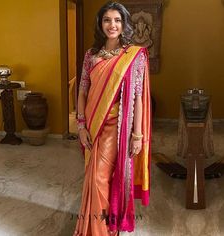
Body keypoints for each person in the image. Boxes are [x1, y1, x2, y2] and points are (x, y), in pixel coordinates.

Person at [74, 1, 151, 235]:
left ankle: (101, 229)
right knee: (93, 178)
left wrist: (137, 135)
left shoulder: (133, 56)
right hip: (93, 126)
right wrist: (80, 125)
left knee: (101, 178)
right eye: (107, 20)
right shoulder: (91, 55)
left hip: (118, 129)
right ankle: (100, 225)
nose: (112, 25)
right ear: (100, 24)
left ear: (124, 23)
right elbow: (83, 90)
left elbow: (137, 98)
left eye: (117, 20)